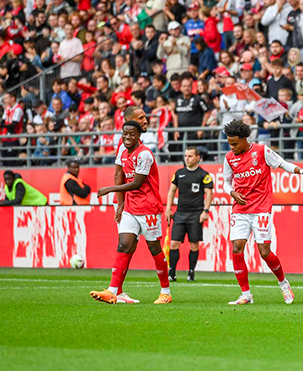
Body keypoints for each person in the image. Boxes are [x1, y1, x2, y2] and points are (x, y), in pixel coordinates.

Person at [222, 119, 303, 305]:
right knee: (237, 249)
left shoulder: (262, 151)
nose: (232, 147)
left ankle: (283, 284)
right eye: (229, 143)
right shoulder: (229, 158)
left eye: (234, 143)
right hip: (240, 209)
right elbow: (226, 182)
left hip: (261, 209)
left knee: (264, 252)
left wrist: (301, 171)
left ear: (244, 139)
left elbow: (282, 164)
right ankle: (246, 294)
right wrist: (232, 192)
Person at [89, 121, 171, 305]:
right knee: (124, 244)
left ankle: (165, 291)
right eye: (125, 134)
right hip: (130, 207)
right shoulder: (122, 151)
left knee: (154, 249)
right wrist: (121, 204)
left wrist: (110, 189)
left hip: (149, 207)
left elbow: (137, 183)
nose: (127, 137)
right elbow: (120, 175)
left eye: (131, 134)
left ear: (139, 135)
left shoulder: (145, 154)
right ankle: (112, 291)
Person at [164, 146, 213, 283]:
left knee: (194, 245)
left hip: (196, 214)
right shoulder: (179, 173)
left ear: (197, 158)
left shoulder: (203, 175)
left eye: (190, 156)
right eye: (185, 156)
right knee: (174, 243)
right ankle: (172, 272)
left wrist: (205, 211)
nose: (187, 158)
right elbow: (171, 191)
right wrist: (168, 208)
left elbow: (209, 193)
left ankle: (191, 272)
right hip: (180, 213)